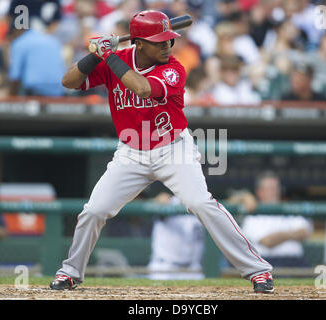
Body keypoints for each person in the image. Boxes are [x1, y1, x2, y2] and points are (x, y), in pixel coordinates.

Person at [49, 10, 273, 294]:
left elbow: (142, 88)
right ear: (139, 44)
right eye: (160, 41)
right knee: (94, 210)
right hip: (132, 151)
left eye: (169, 40)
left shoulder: (173, 68)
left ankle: (258, 271)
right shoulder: (117, 60)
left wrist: (108, 56)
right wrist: (95, 55)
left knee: (201, 204)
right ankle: (70, 272)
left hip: (173, 149)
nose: (168, 46)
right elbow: (69, 82)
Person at [240, 171, 313, 267]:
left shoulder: (289, 209)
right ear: (259, 192)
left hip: (297, 262)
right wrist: (291, 234)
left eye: (276, 188)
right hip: (268, 263)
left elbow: (304, 232)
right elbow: (267, 241)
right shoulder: (252, 217)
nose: (274, 192)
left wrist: (278, 236)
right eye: (269, 188)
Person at [147, 192, 204, 280]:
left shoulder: (203, 204)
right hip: (164, 268)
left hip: (192, 268)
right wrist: (158, 200)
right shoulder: (171, 202)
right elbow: (153, 203)